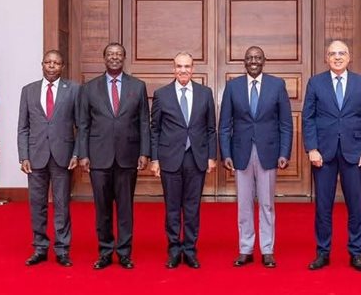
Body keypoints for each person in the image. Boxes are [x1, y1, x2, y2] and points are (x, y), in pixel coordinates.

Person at [302, 40, 361, 272]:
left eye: (341, 53)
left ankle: (356, 253)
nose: (337, 57)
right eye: (332, 53)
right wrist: (311, 148)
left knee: (356, 206)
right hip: (323, 154)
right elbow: (308, 118)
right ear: (326, 58)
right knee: (323, 206)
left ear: (349, 57)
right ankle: (322, 253)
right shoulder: (315, 82)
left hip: (354, 153)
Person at [218, 46, 292, 268]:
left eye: (257, 58)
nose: (253, 61)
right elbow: (224, 125)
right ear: (244, 61)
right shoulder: (233, 86)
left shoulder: (277, 85)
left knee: (267, 203)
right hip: (240, 153)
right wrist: (226, 153)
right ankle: (246, 249)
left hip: (268, 152)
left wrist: (284, 152)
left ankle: (267, 250)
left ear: (264, 61)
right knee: (244, 204)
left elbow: (286, 123)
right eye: (249, 58)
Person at [78, 43, 150, 270]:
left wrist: (145, 152)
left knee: (125, 209)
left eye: (118, 54)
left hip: (128, 156)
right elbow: (83, 124)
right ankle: (105, 251)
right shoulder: (89, 88)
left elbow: (144, 122)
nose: (114, 57)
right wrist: (83, 154)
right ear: (104, 58)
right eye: (110, 54)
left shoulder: (137, 86)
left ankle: (125, 253)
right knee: (103, 209)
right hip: (98, 157)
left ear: (124, 58)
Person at [149, 52, 217, 269]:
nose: (183, 70)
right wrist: (155, 159)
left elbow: (211, 128)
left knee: (192, 208)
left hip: (196, 159)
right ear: (173, 69)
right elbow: (155, 129)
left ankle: (189, 250)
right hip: (170, 159)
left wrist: (211, 156)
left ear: (193, 69)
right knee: (172, 208)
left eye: (187, 66)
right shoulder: (162, 94)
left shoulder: (205, 93)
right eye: (179, 66)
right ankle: (174, 250)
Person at [17, 50, 81, 267]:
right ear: (42, 64)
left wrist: (76, 153)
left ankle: (62, 249)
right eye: (48, 62)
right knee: (37, 204)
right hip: (35, 157)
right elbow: (23, 127)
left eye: (56, 63)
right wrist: (23, 155)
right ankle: (40, 247)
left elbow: (81, 126)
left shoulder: (74, 90)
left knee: (62, 205)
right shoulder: (28, 90)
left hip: (63, 156)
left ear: (62, 66)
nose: (52, 66)